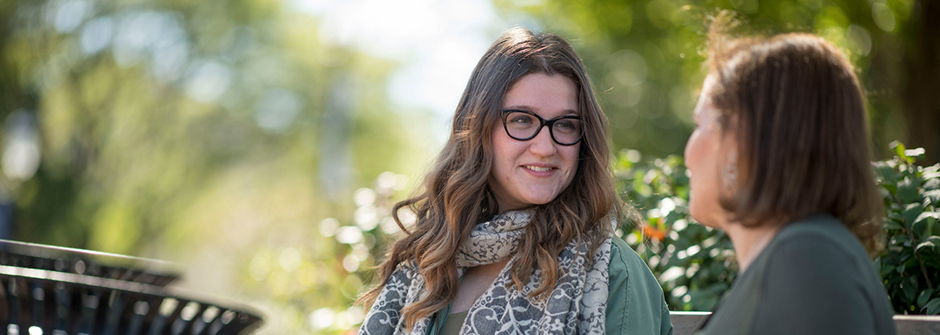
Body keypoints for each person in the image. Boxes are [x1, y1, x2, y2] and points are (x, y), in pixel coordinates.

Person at [358, 27, 673, 335]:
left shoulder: (612, 275)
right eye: (522, 120)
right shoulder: (431, 260)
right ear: (479, 129)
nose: (546, 147)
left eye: (565, 125)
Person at [686, 20, 896, 335]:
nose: (688, 150)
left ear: (739, 142)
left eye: (699, 124)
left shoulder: (807, 258)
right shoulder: (801, 256)